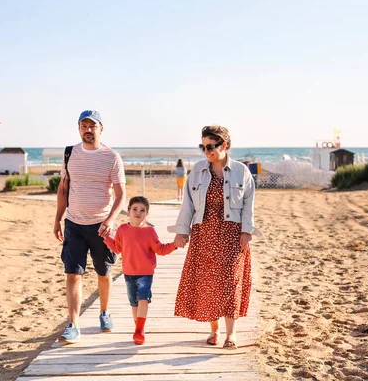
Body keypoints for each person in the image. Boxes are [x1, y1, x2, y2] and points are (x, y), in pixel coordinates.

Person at [170, 125, 260, 349]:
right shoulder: (198, 170)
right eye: (203, 146)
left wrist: (247, 232)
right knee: (209, 282)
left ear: (224, 146)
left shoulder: (241, 171)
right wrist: (183, 231)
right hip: (205, 233)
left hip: (232, 233)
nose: (206, 151)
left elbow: (249, 205)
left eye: (210, 146)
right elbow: (188, 203)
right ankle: (214, 331)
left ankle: (232, 333)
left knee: (230, 282)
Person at [53, 110, 126, 343]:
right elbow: (63, 189)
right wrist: (57, 218)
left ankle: (104, 312)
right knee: (73, 273)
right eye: (83, 125)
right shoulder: (69, 154)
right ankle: (73, 325)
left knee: (104, 273)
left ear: (101, 129)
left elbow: (121, 194)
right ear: (78, 129)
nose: (87, 129)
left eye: (92, 126)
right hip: (74, 223)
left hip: (102, 226)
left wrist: (110, 220)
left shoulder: (112, 157)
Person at [104, 196, 181, 345]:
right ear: (128, 211)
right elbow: (117, 248)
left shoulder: (149, 232)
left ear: (147, 214)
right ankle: (139, 329)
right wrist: (106, 238)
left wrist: (175, 245)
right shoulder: (122, 230)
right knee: (134, 303)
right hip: (128, 273)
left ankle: (139, 330)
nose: (138, 212)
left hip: (145, 273)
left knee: (143, 298)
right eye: (135, 209)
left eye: (142, 210)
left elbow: (161, 249)